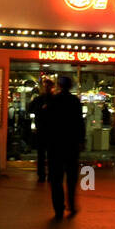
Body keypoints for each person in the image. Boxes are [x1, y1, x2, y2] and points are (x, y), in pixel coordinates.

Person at [47, 74, 85, 219]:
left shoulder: (53, 101)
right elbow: (80, 123)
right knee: (71, 177)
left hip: (55, 144)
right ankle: (72, 204)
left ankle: (58, 208)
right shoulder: (74, 101)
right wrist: (81, 141)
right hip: (71, 144)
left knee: (56, 178)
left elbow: (48, 122)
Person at [28, 79, 53, 182]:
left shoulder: (38, 99)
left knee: (42, 154)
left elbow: (30, 109)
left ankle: (42, 174)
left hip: (43, 129)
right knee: (50, 154)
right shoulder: (54, 99)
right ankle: (49, 174)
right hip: (50, 130)